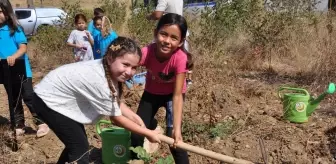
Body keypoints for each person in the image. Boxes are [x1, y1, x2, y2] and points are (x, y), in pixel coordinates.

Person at [33, 36, 161, 164]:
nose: (129, 72)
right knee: (79, 147)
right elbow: (116, 118)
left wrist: (134, 116)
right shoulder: (100, 80)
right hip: (48, 100)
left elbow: (114, 102)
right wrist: (148, 133)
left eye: (134, 67)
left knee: (76, 143)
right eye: (126, 64)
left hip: (56, 96)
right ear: (110, 58)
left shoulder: (108, 70)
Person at [131, 13, 193, 164]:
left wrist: (177, 130)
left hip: (172, 95)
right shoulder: (147, 52)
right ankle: (136, 159)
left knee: (174, 140)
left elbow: (178, 95)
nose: (167, 41)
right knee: (136, 132)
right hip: (151, 92)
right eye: (163, 34)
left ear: (180, 42)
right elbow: (127, 64)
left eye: (173, 38)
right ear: (155, 33)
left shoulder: (180, 58)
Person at [0, 0, 49, 137]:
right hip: (5, 72)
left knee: (28, 96)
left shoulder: (14, 29)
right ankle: (19, 125)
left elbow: (23, 47)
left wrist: (14, 56)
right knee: (13, 98)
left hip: (21, 70)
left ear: (7, 12)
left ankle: (41, 123)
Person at [146, 0, 193, 85]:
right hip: (179, 31)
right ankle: (187, 80)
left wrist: (149, 17)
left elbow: (158, 14)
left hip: (167, 30)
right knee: (183, 59)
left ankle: (161, 80)